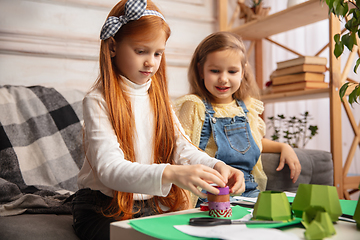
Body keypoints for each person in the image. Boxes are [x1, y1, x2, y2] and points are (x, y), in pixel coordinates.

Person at [71, 1, 245, 240]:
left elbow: (182, 147)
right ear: (112, 47)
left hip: (150, 205)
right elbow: (109, 170)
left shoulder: (159, 98)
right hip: (103, 207)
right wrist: (171, 174)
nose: (150, 62)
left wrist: (215, 166)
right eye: (140, 51)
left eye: (158, 53)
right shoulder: (97, 100)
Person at [174, 31, 301, 203]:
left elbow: (253, 141)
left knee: (283, 208)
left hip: (248, 190)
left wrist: (283, 147)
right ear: (201, 70)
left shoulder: (247, 107)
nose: (223, 79)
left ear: (242, 73)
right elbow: (182, 150)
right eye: (215, 70)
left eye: (232, 71)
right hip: (209, 192)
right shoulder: (194, 105)